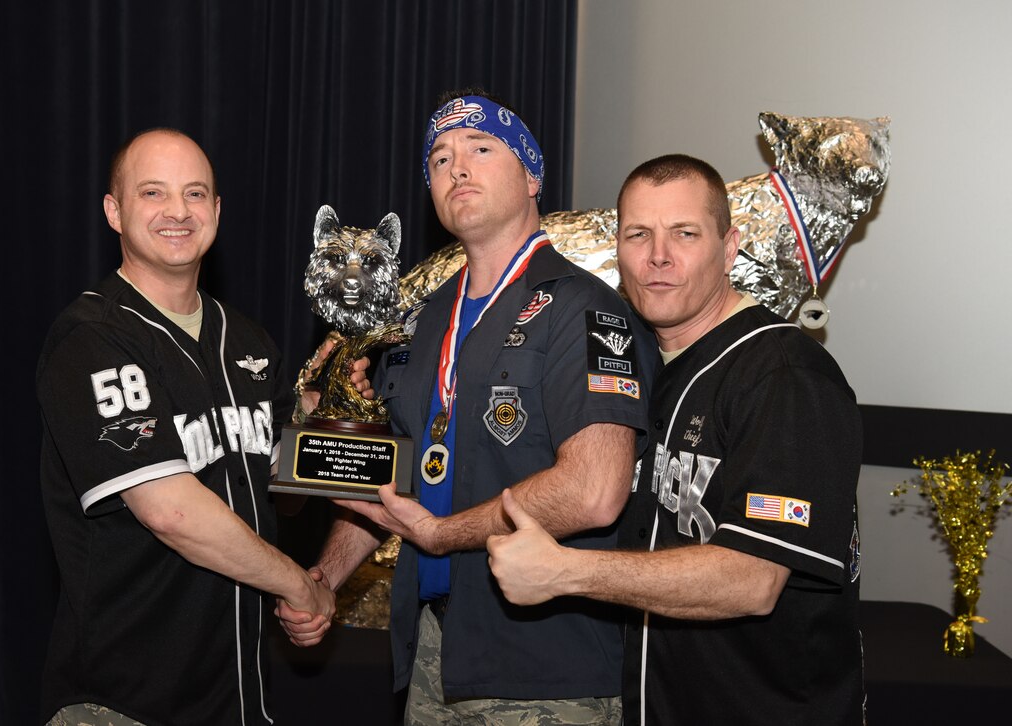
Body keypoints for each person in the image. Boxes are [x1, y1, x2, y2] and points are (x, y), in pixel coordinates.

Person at [282, 91, 652, 724]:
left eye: (481, 149)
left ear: (532, 176)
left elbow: (594, 492)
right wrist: (324, 578)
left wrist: (441, 534)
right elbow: (396, 483)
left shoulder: (584, 309)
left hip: (546, 668)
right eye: (440, 159)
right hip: (433, 655)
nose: (457, 167)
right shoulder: (421, 322)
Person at [486, 154, 865, 725]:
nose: (658, 255)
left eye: (685, 233)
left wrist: (564, 571)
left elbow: (752, 578)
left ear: (729, 248)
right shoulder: (645, 366)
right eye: (639, 234)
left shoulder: (785, 375)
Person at [37, 128, 338, 726]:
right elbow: (171, 512)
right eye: (153, 192)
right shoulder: (92, 338)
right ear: (114, 211)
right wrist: (298, 585)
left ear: (217, 210)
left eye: (195, 193)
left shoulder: (248, 340)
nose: (178, 210)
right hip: (121, 704)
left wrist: (331, 418)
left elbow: (284, 493)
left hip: (237, 697)